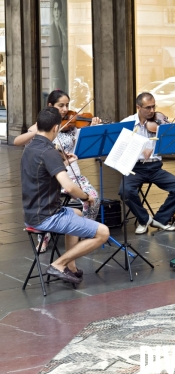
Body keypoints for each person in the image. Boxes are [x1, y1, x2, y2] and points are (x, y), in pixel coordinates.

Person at [20, 107, 109, 284]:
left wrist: (64, 163)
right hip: (46, 216)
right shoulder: (49, 152)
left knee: (77, 214)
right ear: (55, 128)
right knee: (103, 233)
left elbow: (43, 173)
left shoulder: (29, 149)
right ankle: (59, 264)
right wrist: (85, 197)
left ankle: (71, 266)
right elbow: (68, 186)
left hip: (31, 213)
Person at [15, 89, 101, 252]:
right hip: (52, 178)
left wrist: (93, 128)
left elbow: (84, 142)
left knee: (95, 199)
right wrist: (38, 131)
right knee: (48, 202)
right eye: (61, 105)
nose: (65, 109)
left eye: (67, 105)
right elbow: (18, 141)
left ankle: (84, 231)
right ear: (50, 106)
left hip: (72, 172)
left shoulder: (72, 124)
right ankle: (44, 235)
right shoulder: (42, 126)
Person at [120, 92, 175, 234]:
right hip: (135, 168)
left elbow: (171, 143)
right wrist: (140, 150)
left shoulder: (160, 122)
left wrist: (172, 133)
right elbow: (121, 149)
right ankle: (144, 220)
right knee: (125, 191)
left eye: (153, 107)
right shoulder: (127, 124)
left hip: (155, 168)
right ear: (138, 107)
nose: (152, 111)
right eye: (148, 108)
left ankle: (161, 219)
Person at [49, 0, 67, 91]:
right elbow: (52, 58)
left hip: (60, 74)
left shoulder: (60, 30)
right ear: (52, 11)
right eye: (55, 9)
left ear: (60, 11)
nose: (56, 12)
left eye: (58, 9)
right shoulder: (51, 29)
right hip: (55, 76)